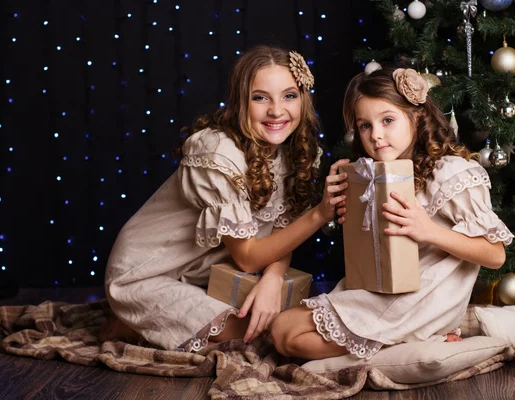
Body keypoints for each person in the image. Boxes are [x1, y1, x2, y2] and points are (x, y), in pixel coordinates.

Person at [100, 45, 350, 352]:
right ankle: (130, 318)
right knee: (259, 336)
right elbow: (246, 258)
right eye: (260, 97)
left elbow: (282, 232)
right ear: (241, 102)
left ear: (303, 99)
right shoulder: (217, 153)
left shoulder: (292, 153)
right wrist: (320, 214)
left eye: (289, 96)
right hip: (145, 273)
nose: (276, 110)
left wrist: (273, 279)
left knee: (275, 318)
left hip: (203, 274)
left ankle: (147, 323)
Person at [270, 67, 514, 361]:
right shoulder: (374, 176)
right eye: (365, 126)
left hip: (422, 300)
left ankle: (407, 340)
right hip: (382, 290)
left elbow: (496, 254)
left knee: (286, 332)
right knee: (283, 334)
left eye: (387, 120)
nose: (376, 135)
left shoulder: (452, 173)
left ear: (416, 117)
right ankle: (403, 344)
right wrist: (341, 203)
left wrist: (429, 231)